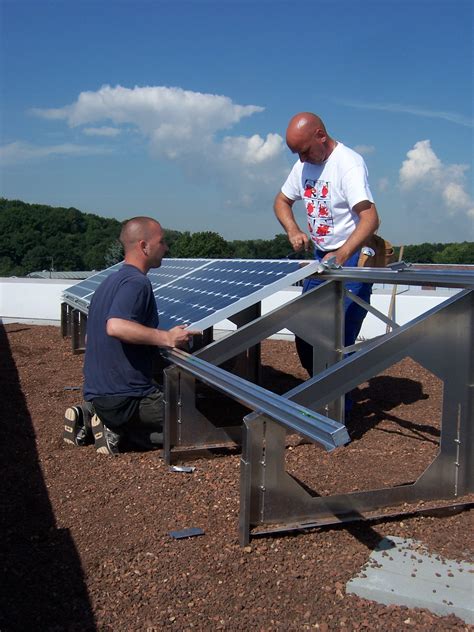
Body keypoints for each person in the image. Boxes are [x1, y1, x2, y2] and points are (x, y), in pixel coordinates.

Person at [63, 216, 199, 455]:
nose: (166, 247)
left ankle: (90, 415)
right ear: (144, 246)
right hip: (127, 399)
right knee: (193, 421)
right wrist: (167, 338)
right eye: (162, 241)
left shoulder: (109, 282)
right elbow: (115, 326)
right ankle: (116, 430)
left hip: (98, 393)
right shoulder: (138, 284)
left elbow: (89, 339)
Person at [274, 112, 380, 378]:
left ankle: (339, 410)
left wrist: (343, 253)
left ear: (321, 135)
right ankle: (321, 395)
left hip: (352, 257)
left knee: (336, 340)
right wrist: (293, 229)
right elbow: (281, 201)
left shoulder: (349, 164)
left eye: (305, 151)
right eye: (297, 153)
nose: (301, 159)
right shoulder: (303, 166)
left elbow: (370, 219)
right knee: (305, 332)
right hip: (322, 258)